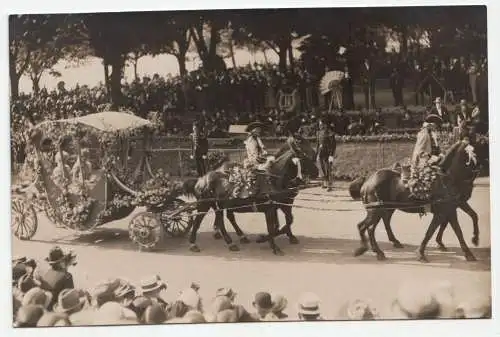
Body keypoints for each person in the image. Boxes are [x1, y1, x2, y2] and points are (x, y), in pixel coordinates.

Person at [33, 246, 76, 311]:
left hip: (46, 307)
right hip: (57, 309)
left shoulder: (47, 273)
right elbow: (70, 298)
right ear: (61, 262)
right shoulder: (67, 276)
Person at [316, 116, 336, 190]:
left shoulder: (330, 132)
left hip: (328, 152)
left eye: (321, 124)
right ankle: (324, 182)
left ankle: (329, 185)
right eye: (319, 125)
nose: (320, 126)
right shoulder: (318, 133)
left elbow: (333, 144)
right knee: (321, 168)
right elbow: (318, 144)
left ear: (325, 125)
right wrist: (317, 153)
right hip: (321, 153)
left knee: (328, 168)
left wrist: (331, 154)